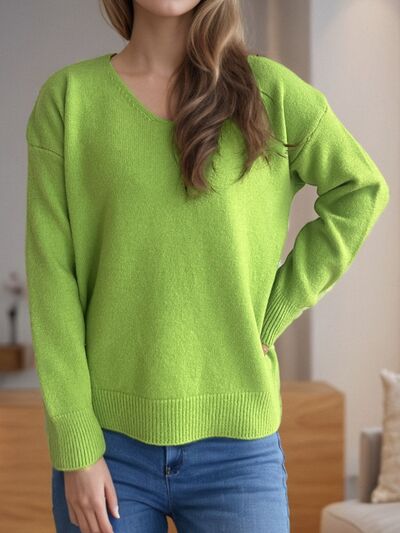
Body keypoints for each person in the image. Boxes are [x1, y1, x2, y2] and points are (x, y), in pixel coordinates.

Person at [24, 1, 390, 532]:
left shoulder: (271, 92)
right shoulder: (69, 101)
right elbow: (52, 279)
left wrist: (277, 307)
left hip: (238, 452)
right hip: (107, 448)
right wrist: (76, 446)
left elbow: (361, 190)